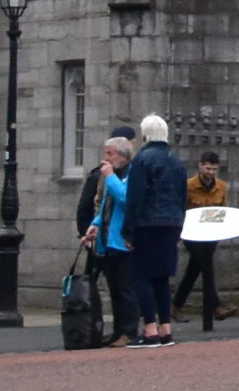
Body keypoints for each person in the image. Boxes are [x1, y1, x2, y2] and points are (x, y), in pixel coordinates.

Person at [118, 115, 189, 347]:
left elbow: (134, 198)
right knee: (161, 278)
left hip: (147, 223)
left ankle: (149, 330)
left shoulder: (142, 160)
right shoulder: (176, 161)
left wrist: (128, 231)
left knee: (142, 277)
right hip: (172, 223)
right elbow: (182, 197)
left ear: (146, 134)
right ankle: (165, 329)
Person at [78, 135, 139, 346]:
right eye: (106, 153)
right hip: (107, 239)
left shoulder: (132, 174)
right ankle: (118, 330)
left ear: (123, 156)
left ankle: (129, 331)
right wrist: (95, 224)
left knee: (126, 289)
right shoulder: (108, 176)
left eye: (110, 153)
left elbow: (126, 199)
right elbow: (104, 203)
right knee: (114, 289)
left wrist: (111, 177)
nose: (106, 158)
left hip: (123, 240)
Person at [172, 150, 234, 323]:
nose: (211, 173)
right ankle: (216, 307)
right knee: (206, 265)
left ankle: (176, 306)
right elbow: (181, 208)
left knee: (195, 269)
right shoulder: (188, 185)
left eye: (214, 169)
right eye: (208, 168)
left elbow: (223, 209)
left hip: (211, 234)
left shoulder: (221, 186)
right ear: (200, 166)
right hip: (192, 233)